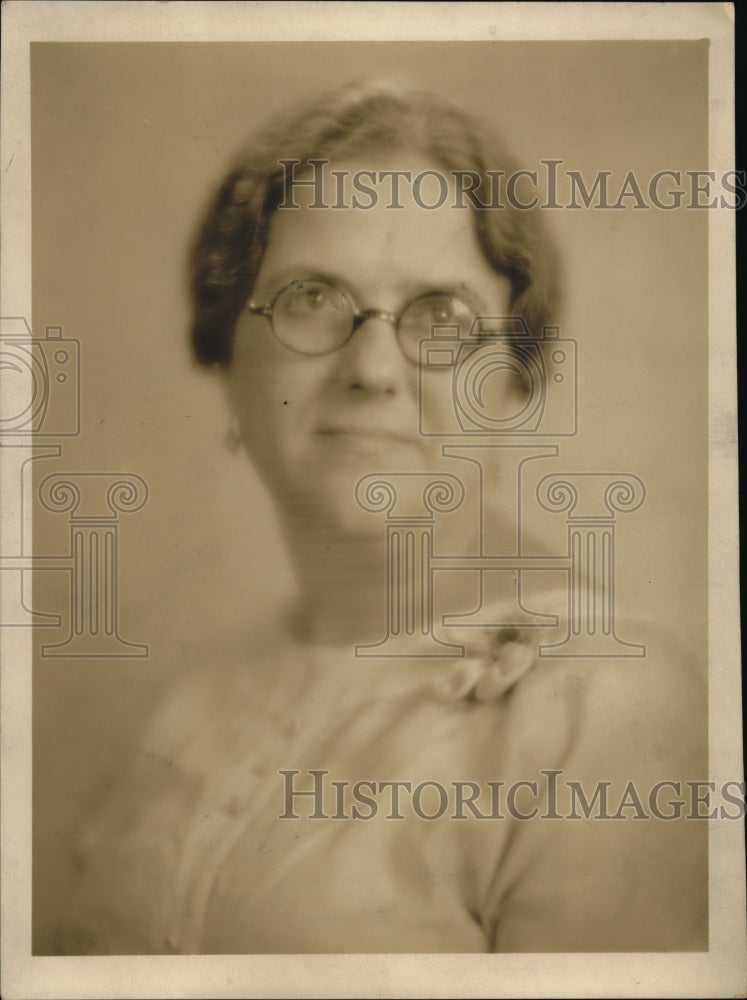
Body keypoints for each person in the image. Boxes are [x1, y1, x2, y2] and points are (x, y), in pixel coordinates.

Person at [56, 80, 707, 954]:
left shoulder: (603, 709)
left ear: (513, 380)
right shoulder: (185, 704)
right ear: (226, 356)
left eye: (441, 317)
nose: (371, 369)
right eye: (311, 298)